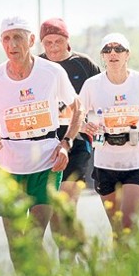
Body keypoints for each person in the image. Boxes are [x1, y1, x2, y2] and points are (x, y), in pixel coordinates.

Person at [0, 16, 82, 271]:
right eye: (6, 39)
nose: (12, 44)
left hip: (46, 162)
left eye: (18, 37)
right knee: (16, 245)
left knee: (32, 238)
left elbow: (79, 108)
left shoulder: (52, 72)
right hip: (9, 166)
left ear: (31, 40)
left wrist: (66, 143)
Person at [80, 33, 139, 238]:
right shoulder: (92, 84)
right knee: (118, 229)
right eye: (107, 50)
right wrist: (84, 125)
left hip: (135, 162)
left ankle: (133, 268)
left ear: (128, 54)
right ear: (102, 56)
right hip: (104, 163)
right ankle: (123, 268)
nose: (113, 53)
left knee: (127, 225)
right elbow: (76, 114)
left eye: (118, 49)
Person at [38, 18, 100, 256]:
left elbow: (101, 95)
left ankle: (71, 264)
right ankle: (76, 256)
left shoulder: (84, 64)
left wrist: (91, 122)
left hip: (78, 143)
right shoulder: (36, 64)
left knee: (65, 205)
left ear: (68, 40)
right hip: (46, 144)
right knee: (56, 212)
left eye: (58, 41)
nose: (53, 47)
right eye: (48, 42)